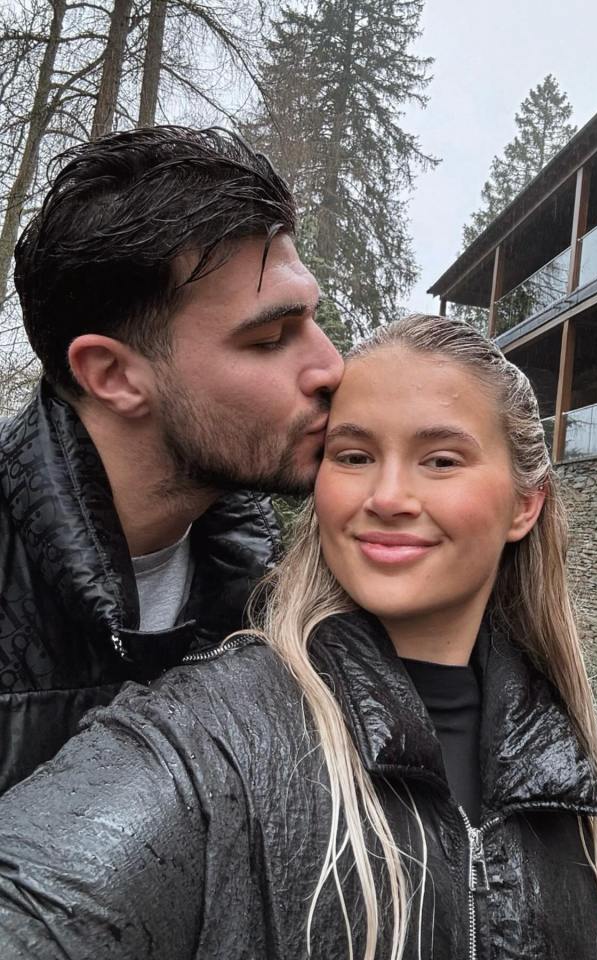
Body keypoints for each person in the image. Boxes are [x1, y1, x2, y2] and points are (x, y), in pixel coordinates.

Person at [0, 315, 597, 960]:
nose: (388, 497)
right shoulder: (209, 744)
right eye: (353, 456)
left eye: (441, 459)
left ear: (524, 505)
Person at [0, 126, 343, 793]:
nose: (332, 366)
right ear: (115, 375)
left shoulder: (281, 599)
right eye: (271, 338)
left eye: (312, 319)